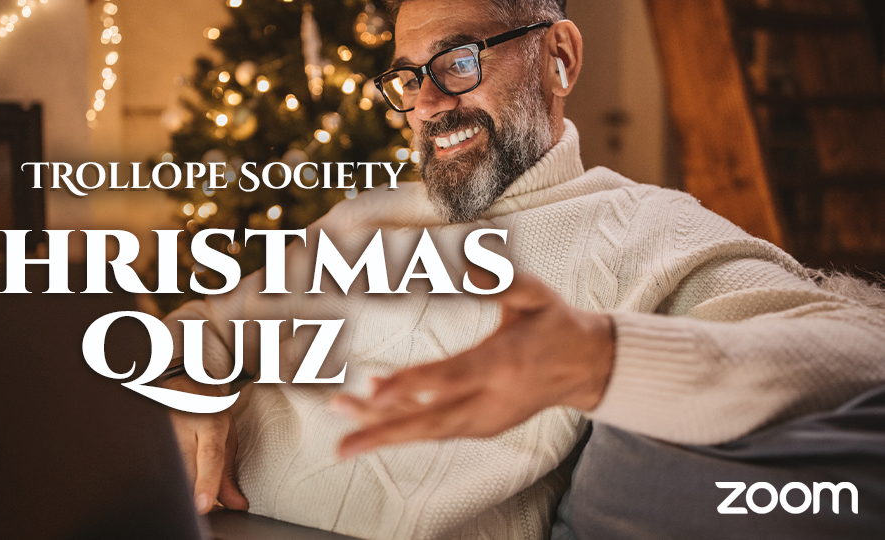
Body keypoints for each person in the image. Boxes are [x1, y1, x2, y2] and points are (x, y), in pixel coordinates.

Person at [162, 0, 885, 538]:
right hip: (178, 512)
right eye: (409, 79)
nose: (428, 106)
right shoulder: (362, 218)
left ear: (560, 57)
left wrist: (600, 360)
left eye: (458, 62)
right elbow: (205, 328)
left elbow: (862, 347)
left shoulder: (647, 229)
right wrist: (190, 383)